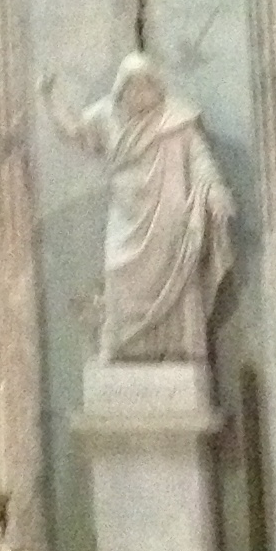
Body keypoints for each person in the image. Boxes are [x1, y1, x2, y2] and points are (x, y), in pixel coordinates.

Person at [43, 51, 233, 362]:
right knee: (117, 271)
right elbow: (76, 132)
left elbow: (200, 160)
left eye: (146, 85)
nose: (139, 93)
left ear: (156, 86)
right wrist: (51, 100)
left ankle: (178, 350)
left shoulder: (177, 118)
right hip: (126, 215)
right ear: (121, 88)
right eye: (132, 86)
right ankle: (120, 348)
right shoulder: (106, 115)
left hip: (168, 215)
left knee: (177, 278)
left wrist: (214, 191)